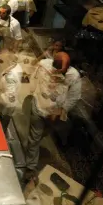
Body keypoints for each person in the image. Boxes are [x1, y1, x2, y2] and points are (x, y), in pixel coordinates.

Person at [24, 52, 81, 181]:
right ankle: (30, 167)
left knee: (43, 134)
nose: (58, 73)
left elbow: (74, 97)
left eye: (62, 71)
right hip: (38, 108)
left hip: (54, 115)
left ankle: (33, 148)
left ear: (68, 68)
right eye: (57, 69)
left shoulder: (74, 76)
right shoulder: (44, 65)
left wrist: (61, 110)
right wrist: (33, 93)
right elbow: (33, 78)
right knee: (34, 137)